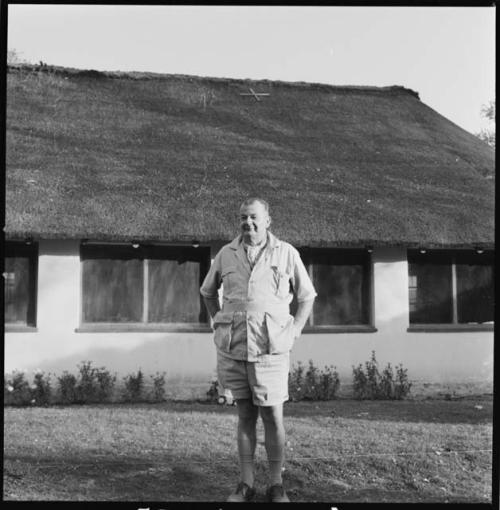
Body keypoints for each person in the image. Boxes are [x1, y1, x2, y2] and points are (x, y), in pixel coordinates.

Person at [200, 197, 316, 503]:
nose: (247, 223)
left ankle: (276, 484)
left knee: (273, 416)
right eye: (242, 218)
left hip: (271, 349)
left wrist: (295, 329)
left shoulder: (287, 253)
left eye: (253, 217)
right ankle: (246, 484)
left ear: (267, 220)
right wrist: (218, 323)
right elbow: (208, 292)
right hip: (234, 347)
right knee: (245, 416)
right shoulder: (226, 254)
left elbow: (307, 296)